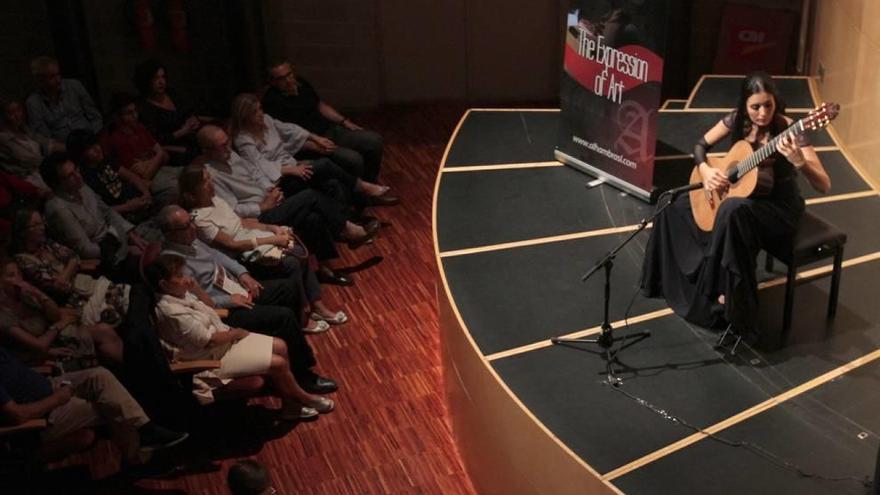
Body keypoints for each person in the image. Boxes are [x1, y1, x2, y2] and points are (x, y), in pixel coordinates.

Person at [641, 72, 831, 342]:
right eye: (755, 107)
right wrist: (706, 170)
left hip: (779, 209)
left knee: (731, 211)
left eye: (768, 105)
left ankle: (724, 297)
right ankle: (666, 280)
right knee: (674, 203)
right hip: (744, 200)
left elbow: (824, 184)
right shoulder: (736, 120)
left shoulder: (792, 130)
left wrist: (800, 161)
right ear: (744, 105)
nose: (763, 113)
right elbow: (700, 146)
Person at [157, 205, 338, 394]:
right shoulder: (173, 264)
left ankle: (294, 341)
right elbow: (198, 301)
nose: (193, 227)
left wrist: (242, 273)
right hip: (225, 310)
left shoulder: (191, 240)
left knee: (289, 288)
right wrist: (228, 301)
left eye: (191, 221)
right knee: (283, 317)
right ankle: (303, 375)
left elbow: (218, 256)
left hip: (235, 287)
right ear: (170, 233)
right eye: (186, 226)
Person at [146, 253, 333, 418]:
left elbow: (209, 305)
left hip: (224, 340)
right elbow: (208, 340)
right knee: (279, 363)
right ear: (163, 284)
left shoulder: (180, 293)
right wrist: (237, 333)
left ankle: (291, 406)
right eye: (180, 276)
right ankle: (304, 397)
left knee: (281, 345)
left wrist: (195, 289)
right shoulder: (171, 312)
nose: (186, 278)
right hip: (212, 357)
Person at [197, 124, 378, 285]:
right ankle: (348, 230)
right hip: (256, 216)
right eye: (221, 146)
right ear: (207, 150)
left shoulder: (231, 155)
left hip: (270, 198)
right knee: (311, 197)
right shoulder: (211, 174)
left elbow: (255, 173)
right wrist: (263, 206)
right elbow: (233, 209)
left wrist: (270, 189)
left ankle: (325, 269)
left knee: (312, 216)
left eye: (227, 142)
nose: (228, 148)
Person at [178, 163, 348, 331]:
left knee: (296, 248)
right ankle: (302, 313)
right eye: (205, 182)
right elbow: (232, 244)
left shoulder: (216, 200)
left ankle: (317, 305)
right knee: (292, 262)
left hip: (253, 241)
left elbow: (242, 223)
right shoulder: (199, 219)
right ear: (192, 194)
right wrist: (272, 240)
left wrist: (271, 228)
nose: (211, 183)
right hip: (243, 256)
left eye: (209, 178)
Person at [0, 345, 188, 465]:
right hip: (43, 415)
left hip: (49, 384)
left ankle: (145, 430)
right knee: (113, 405)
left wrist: (46, 355)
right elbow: (17, 415)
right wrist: (58, 399)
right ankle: (138, 460)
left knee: (100, 375)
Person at [229, 93, 397, 207]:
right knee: (325, 164)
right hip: (279, 177)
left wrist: (314, 138)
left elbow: (290, 129)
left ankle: (348, 219)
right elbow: (260, 166)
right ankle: (363, 186)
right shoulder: (243, 139)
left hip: (292, 164)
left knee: (332, 183)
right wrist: (291, 170)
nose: (260, 114)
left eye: (260, 109)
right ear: (245, 116)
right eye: (254, 112)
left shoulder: (266, 120)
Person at [263, 60, 385, 184]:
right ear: (272, 82)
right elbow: (283, 137)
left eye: (289, 74)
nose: (288, 80)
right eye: (281, 78)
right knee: (354, 159)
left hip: (329, 129)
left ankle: (371, 185)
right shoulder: (271, 102)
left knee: (374, 140)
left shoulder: (301, 83)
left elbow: (320, 105)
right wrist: (315, 145)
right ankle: (360, 193)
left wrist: (344, 121)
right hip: (310, 143)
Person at [10, 208, 130, 328]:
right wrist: (70, 269)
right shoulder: (24, 261)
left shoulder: (47, 244)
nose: (41, 227)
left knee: (133, 296)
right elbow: (57, 286)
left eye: (41, 223)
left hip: (87, 285)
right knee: (130, 306)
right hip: (74, 302)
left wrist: (64, 275)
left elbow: (74, 257)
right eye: (35, 225)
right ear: (22, 231)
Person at [40, 152, 149, 282]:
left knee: (161, 235)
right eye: (70, 175)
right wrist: (124, 248)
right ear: (56, 184)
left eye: (76, 170)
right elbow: (86, 249)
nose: (78, 176)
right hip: (104, 255)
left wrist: (130, 234)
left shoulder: (81, 186)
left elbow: (108, 212)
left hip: (117, 235)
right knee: (148, 260)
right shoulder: (58, 208)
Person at [0, 257, 122, 366]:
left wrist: (38, 294)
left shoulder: (24, 295)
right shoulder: (4, 315)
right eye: (11, 275)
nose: (18, 279)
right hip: (47, 348)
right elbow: (40, 346)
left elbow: (55, 315)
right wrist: (57, 326)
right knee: (105, 333)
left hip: (57, 333)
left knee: (106, 330)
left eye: (19, 274)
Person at [103, 93, 179, 207]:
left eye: (135, 111)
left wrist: (152, 160)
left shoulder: (140, 128)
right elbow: (144, 175)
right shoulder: (117, 139)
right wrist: (158, 155)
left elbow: (164, 155)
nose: (135, 115)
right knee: (177, 187)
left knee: (194, 172)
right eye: (129, 113)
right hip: (148, 182)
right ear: (118, 117)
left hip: (161, 170)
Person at [67, 129, 153, 225]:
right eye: (90, 148)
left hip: (137, 202)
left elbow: (131, 177)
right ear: (80, 155)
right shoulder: (84, 178)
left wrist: (146, 193)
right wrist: (129, 206)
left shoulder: (106, 160)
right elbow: (99, 211)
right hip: (122, 219)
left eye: (95, 143)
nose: (97, 149)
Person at [133, 59, 207, 167]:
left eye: (163, 77)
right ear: (147, 80)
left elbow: (188, 110)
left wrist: (193, 120)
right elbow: (154, 139)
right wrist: (182, 131)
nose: (161, 82)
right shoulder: (144, 107)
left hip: (190, 137)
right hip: (171, 147)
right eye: (156, 78)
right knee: (196, 155)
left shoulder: (171, 93)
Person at [25, 56, 103, 142]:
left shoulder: (74, 86)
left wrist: (95, 136)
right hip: (64, 148)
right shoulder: (33, 103)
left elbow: (95, 116)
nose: (58, 80)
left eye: (58, 74)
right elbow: (44, 136)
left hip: (91, 138)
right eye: (52, 77)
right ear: (41, 81)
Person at [0, 97, 60, 190]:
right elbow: (30, 160)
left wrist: (69, 147)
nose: (17, 115)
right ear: (3, 117)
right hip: (29, 179)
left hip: (43, 169)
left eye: (18, 110)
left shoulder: (24, 129)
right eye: (11, 113)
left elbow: (45, 142)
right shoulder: (4, 139)